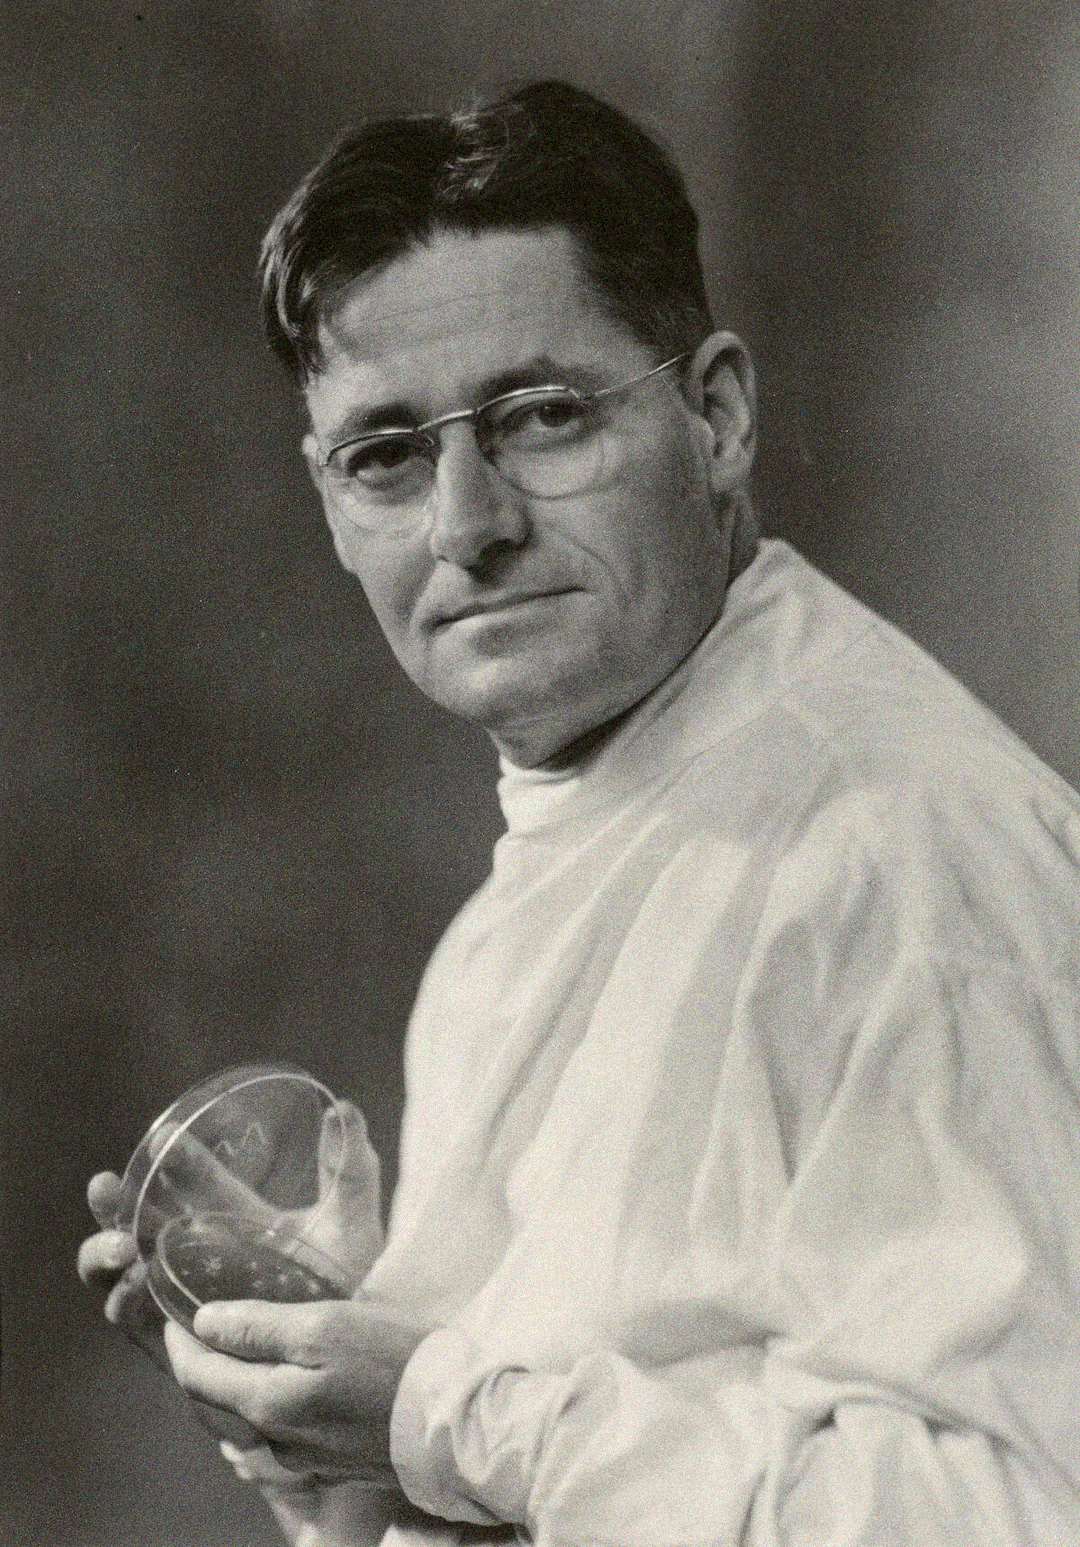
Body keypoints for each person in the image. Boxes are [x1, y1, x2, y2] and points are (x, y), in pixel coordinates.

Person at [78, 79, 1080, 1545]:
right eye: (386, 456)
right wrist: (331, 1414)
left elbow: (1026, 1512)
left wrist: (440, 1408)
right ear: (326, 495)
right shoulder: (521, 901)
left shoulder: (909, 857)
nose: (469, 523)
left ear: (718, 416)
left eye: (542, 418)